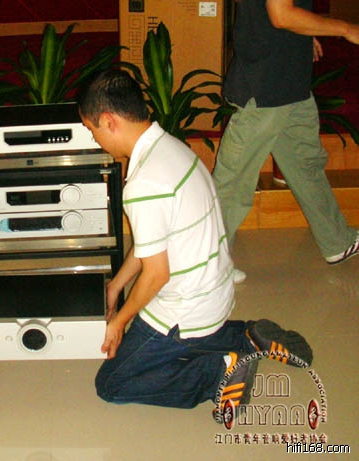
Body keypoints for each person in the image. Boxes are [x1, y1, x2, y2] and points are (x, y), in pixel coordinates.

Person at [77, 69, 313, 419]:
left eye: (91, 129)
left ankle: (219, 373)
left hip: (184, 312)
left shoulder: (143, 184)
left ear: (109, 121)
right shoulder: (171, 148)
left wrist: (120, 320)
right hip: (215, 295)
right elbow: (150, 242)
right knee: (180, 332)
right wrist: (115, 287)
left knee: (112, 384)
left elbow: (156, 275)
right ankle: (246, 338)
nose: (95, 139)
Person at [213, 0, 359, 276]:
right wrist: (346, 29)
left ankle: (337, 241)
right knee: (232, 182)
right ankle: (206, 267)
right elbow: (282, 15)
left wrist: (305, 33)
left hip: (288, 80)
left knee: (305, 164)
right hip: (266, 85)